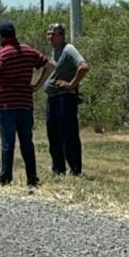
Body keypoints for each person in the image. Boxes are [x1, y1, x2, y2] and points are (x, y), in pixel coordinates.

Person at [0, 20, 54, 187]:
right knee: (27, 142)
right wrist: (38, 85)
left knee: (8, 143)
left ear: (1, 37)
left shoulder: (2, 53)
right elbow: (50, 65)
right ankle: (32, 178)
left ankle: (5, 178)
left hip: (7, 105)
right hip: (25, 104)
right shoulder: (28, 51)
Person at [43, 23, 90, 176]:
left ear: (62, 35)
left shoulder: (68, 49)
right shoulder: (54, 52)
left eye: (54, 34)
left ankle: (75, 170)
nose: (50, 36)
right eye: (49, 33)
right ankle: (58, 170)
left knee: (68, 135)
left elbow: (83, 67)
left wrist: (71, 85)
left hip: (64, 98)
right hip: (52, 99)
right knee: (54, 135)